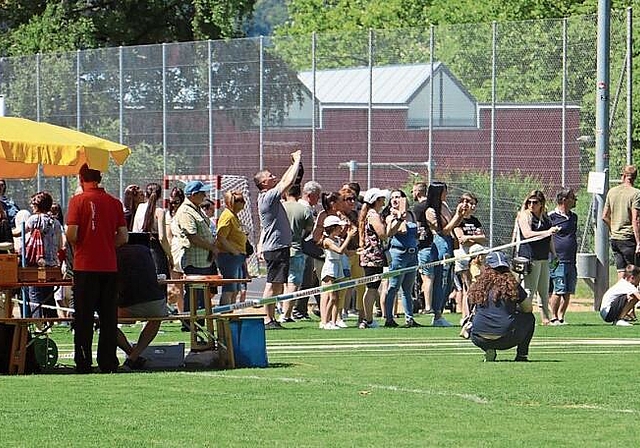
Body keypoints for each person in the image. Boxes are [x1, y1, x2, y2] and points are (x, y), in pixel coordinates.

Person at [66, 163, 128, 374]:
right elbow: (123, 237)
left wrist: (81, 242)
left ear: (81, 179)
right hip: (109, 266)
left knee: (83, 317)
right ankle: (108, 361)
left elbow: (72, 234)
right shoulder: (115, 202)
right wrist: (107, 243)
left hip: (85, 266)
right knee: (109, 317)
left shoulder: (77, 201)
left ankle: (83, 361)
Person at [254, 149, 302, 329]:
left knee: (277, 284)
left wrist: (292, 165)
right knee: (272, 284)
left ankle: (271, 317)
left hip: (277, 246)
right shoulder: (268, 196)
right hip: (275, 247)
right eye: (270, 176)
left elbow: (284, 180)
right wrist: (296, 161)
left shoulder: (269, 197)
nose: (273, 177)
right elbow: (286, 182)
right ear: (264, 183)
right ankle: (267, 319)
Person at [468, 251, 535, 362]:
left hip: (478, 338)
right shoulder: (512, 285)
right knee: (529, 318)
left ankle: (488, 348)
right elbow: (528, 309)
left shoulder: (477, 286)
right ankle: (522, 355)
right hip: (506, 339)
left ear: (487, 267)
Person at [115, 242, 167, 370]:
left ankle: (132, 355)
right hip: (154, 303)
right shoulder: (144, 250)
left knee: (105, 322)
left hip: (128, 304)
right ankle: (134, 357)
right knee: (156, 318)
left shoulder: (113, 254)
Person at [171, 181, 217, 315]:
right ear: (193, 194)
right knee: (194, 295)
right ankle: (189, 323)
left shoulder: (196, 209)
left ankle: (199, 322)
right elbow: (193, 237)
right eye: (202, 193)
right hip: (194, 261)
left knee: (202, 295)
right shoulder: (186, 212)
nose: (205, 195)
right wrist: (212, 248)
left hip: (204, 261)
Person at [516, 190, 560, 326]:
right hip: (530, 257)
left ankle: (546, 319)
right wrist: (547, 232)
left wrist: (554, 253)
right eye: (529, 202)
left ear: (541, 204)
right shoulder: (525, 216)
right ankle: (524, 316)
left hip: (543, 257)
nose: (532, 205)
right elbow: (527, 234)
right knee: (530, 289)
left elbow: (549, 238)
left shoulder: (545, 217)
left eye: (535, 202)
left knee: (544, 290)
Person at [425, 181, 466, 327]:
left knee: (448, 280)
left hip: (449, 243)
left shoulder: (444, 206)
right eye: (444, 191)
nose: (446, 194)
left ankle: (440, 312)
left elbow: (454, 226)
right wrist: (457, 215)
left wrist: (460, 215)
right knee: (441, 279)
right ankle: (437, 314)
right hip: (440, 243)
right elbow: (443, 230)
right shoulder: (430, 211)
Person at [383, 189, 421, 328]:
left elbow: (412, 232)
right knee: (393, 286)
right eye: (392, 197)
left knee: (407, 288)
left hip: (412, 254)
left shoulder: (411, 214)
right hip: (398, 254)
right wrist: (399, 217)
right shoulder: (390, 215)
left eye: (398, 197)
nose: (394, 200)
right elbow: (391, 232)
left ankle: (409, 318)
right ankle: (388, 318)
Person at [25, 191, 64, 319]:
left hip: (36, 263)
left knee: (34, 293)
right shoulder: (56, 223)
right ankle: (51, 320)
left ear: (37, 205)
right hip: (52, 265)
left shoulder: (33, 220)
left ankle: (37, 321)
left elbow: (23, 236)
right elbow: (59, 245)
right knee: (49, 295)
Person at [281, 185, 314, 323]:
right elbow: (309, 229)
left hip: (280, 247)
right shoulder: (304, 209)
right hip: (296, 247)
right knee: (293, 282)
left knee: (281, 282)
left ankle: (280, 310)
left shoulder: (280, 208)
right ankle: (286, 314)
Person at [358, 187, 389, 329]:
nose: (384, 201)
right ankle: (368, 320)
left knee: (372, 287)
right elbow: (382, 234)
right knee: (371, 288)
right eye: (381, 199)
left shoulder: (371, 214)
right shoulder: (373, 215)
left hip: (373, 256)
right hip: (373, 256)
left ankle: (366, 318)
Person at [453, 192, 487, 320]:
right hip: (463, 256)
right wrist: (473, 238)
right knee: (467, 287)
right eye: (469, 203)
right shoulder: (458, 220)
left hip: (476, 258)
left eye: (473, 204)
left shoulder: (475, 221)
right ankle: (465, 316)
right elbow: (461, 239)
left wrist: (470, 237)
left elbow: (483, 238)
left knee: (476, 286)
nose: (471, 206)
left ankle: (475, 314)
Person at [602, 165, 640, 278]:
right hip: (629, 239)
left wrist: (612, 229)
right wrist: (638, 242)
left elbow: (604, 216)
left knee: (621, 272)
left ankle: (621, 295)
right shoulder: (636, 193)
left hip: (615, 239)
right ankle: (633, 295)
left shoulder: (612, 192)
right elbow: (636, 220)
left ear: (623, 176)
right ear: (635, 177)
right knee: (634, 274)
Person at [320, 215, 357, 329]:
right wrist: (349, 237)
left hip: (338, 267)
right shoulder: (327, 241)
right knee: (333, 297)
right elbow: (340, 251)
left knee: (337, 298)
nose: (341, 229)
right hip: (330, 268)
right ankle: (325, 322)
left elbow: (347, 252)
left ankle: (334, 322)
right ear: (332, 227)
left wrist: (359, 251)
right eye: (339, 227)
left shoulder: (339, 240)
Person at [292, 180, 323, 321]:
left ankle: (309, 309)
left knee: (312, 281)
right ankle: (298, 310)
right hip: (303, 249)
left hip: (309, 249)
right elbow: (304, 231)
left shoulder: (310, 209)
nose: (318, 199)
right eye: (317, 196)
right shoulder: (303, 208)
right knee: (303, 281)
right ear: (310, 195)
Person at [548, 188, 578, 325]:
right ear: (564, 200)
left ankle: (561, 316)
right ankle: (553, 317)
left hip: (571, 259)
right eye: (572, 197)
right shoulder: (551, 217)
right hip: (557, 259)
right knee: (558, 289)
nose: (575, 200)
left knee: (568, 290)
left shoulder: (573, 217)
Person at [132, 183, 172, 280]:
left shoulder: (140, 208)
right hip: (156, 253)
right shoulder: (160, 211)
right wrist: (170, 255)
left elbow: (134, 231)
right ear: (160, 196)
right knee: (160, 285)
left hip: (140, 251)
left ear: (146, 194)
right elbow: (162, 238)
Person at [216, 190, 248, 305]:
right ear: (231, 202)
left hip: (237, 258)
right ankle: (225, 317)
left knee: (236, 290)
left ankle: (232, 316)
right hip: (229, 257)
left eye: (243, 200)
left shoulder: (234, 216)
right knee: (229, 289)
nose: (243, 203)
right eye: (239, 200)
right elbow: (220, 237)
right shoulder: (227, 216)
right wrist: (234, 251)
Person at [412, 181, 433, 314]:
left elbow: (417, 227)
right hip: (432, 245)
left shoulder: (418, 208)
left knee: (427, 277)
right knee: (429, 276)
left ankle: (428, 306)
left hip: (424, 246)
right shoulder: (432, 205)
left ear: (418, 192)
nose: (412, 193)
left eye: (413, 191)